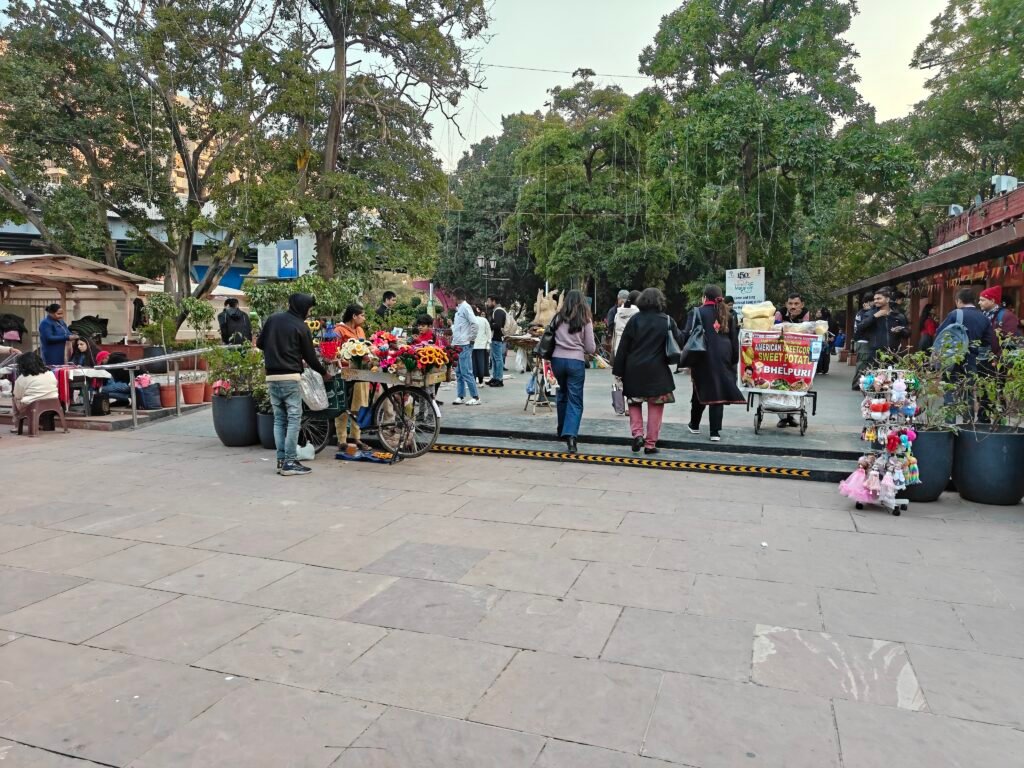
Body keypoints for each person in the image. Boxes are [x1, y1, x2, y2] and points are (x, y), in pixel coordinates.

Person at [256, 293, 330, 476]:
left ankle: (281, 460)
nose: (309, 312)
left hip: (272, 377)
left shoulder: (273, 319)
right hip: (290, 378)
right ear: (303, 307)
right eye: (309, 309)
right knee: (294, 419)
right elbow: (311, 358)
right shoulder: (301, 327)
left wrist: (278, 352)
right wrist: (324, 373)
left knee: (279, 419)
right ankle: (290, 462)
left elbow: (259, 343)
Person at [613, 287, 681, 454]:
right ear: (660, 301)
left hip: (634, 370)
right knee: (656, 406)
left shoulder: (634, 320)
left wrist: (618, 371)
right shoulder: (666, 321)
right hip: (658, 371)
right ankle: (650, 444)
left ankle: (637, 435)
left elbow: (623, 348)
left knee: (634, 403)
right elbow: (679, 340)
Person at [683, 285, 745, 441]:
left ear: (704, 297)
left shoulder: (697, 312)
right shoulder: (728, 314)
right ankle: (714, 432)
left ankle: (694, 425)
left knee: (700, 387)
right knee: (718, 389)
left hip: (702, 355)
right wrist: (734, 361)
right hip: (724, 355)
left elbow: (687, 335)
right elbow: (734, 339)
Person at [936, 287, 998, 422]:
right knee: (968, 394)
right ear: (974, 301)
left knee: (950, 393)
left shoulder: (955, 314)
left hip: (952, 360)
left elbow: (940, 333)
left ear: (958, 300)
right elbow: (988, 340)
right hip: (971, 361)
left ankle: (949, 425)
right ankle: (968, 424)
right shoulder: (983, 318)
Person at [549, 289, 595, 453]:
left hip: (557, 361)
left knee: (562, 394)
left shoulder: (558, 317)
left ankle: (561, 430)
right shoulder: (585, 319)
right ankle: (571, 436)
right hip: (576, 362)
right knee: (575, 399)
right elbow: (590, 347)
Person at [335, 304, 371, 451]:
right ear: (354, 316)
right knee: (343, 407)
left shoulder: (360, 330)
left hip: (361, 374)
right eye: (362, 315)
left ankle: (357, 438)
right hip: (345, 373)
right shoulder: (339, 330)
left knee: (359, 406)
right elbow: (335, 352)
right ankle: (341, 439)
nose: (364, 318)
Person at [857, 288, 910, 365]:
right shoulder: (869, 314)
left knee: (892, 376)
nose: (875, 301)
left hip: (893, 354)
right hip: (875, 353)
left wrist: (901, 330)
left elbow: (907, 333)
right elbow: (860, 328)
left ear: (887, 299)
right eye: (874, 299)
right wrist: (875, 316)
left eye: (879, 298)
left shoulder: (898, 315)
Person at [450, 288, 480, 406]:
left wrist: (471, 338)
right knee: (458, 372)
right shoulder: (459, 309)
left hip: (464, 344)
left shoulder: (466, 307)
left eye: (453, 297)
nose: (452, 299)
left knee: (466, 371)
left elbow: (475, 323)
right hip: (458, 343)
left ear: (456, 297)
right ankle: (460, 395)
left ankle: (475, 397)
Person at [12, 351, 59, 423]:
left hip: (32, 406)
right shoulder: (50, 373)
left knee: (14, 398)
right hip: (53, 404)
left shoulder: (22, 378)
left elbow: (18, 396)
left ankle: (16, 423)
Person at [485, 295, 508, 387]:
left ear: (494, 301)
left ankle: (499, 379)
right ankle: (495, 377)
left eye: (489, 301)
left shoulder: (498, 311)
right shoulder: (497, 311)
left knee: (497, 359)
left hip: (497, 338)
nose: (487, 303)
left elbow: (497, 325)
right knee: (494, 359)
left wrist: (489, 325)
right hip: (495, 338)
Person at [612, 290, 641, 357]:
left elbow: (613, 329)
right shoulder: (639, 314)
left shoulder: (618, 313)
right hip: (634, 349)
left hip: (619, 348)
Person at [472, 304, 492, 385]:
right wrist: (488, 344)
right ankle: (480, 380)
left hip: (473, 345)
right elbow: (489, 332)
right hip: (482, 345)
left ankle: (473, 380)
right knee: (481, 363)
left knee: (473, 363)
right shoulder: (484, 320)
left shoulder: (471, 321)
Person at [816, 307, 832, 376]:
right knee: (826, 356)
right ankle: (825, 370)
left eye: (819, 312)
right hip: (826, 340)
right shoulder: (828, 321)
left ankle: (819, 370)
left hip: (819, 340)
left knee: (820, 356)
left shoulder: (817, 322)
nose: (817, 313)